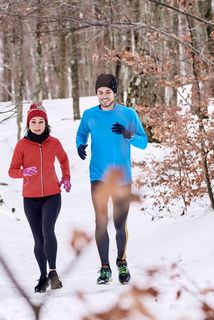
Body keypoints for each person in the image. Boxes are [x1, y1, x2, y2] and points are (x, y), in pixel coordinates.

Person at [75, 74, 148, 285]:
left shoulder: (128, 114)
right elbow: (81, 134)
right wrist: (80, 145)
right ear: (96, 93)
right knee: (100, 222)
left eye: (108, 92)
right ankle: (104, 268)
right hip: (98, 176)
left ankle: (122, 262)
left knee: (119, 224)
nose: (104, 96)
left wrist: (129, 134)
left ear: (115, 92)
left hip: (122, 178)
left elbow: (143, 143)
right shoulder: (89, 115)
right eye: (100, 92)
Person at [8, 102, 71, 293]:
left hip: (52, 195)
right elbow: (12, 171)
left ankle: (53, 273)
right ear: (29, 124)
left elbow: (64, 160)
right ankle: (43, 276)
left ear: (46, 123)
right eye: (33, 121)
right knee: (38, 239)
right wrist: (24, 172)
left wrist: (66, 178)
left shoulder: (54, 143)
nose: (37, 125)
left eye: (40, 121)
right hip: (30, 199)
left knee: (47, 231)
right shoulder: (22, 145)